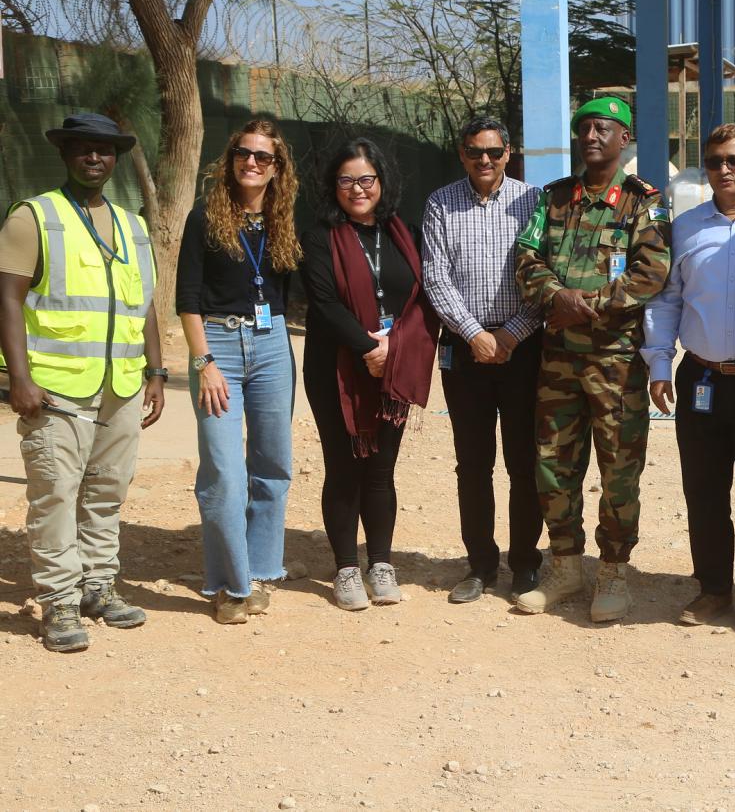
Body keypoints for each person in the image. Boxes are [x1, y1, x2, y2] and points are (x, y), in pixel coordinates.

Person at [0, 113, 165, 652]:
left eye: (104, 149)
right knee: (55, 495)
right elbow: (7, 300)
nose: (94, 157)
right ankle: (59, 602)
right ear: (64, 153)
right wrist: (18, 378)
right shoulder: (34, 217)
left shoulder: (133, 226)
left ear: (116, 157)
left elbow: (145, 305)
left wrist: (156, 371)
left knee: (107, 492)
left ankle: (98, 586)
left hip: (121, 384)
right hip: (55, 389)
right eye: (83, 148)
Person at [513, 96, 671, 623]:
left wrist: (587, 306)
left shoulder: (644, 202)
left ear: (624, 138)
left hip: (616, 361)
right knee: (553, 464)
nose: (591, 137)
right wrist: (556, 296)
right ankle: (564, 566)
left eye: (603, 128)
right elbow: (526, 258)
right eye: (584, 128)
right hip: (558, 358)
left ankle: (613, 571)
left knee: (619, 469)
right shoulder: (555, 197)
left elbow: (651, 272)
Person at [643, 122, 735, 634]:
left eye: (734, 160)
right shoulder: (684, 228)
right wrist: (659, 364)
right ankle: (711, 589)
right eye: (714, 162)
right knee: (704, 492)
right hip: (701, 379)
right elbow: (666, 299)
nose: (724, 170)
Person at [300, 138, 440, 611]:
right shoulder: (319, 236)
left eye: (366, 179)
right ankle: (345, 568)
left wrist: (393, 348)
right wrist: (369, 349)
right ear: (333, 186)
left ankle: (380, 563)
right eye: (346, 180)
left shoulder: (407, 232)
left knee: (381, 471)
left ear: (382, 181)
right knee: (343, 469)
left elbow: (423, 297)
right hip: (335, 367)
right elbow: (323, 303)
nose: (357, 189)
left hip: (393, 366)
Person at [177, 118, 301, 625]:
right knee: (225, 474)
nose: (252, 162)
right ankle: (231, 585)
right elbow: (186, 297)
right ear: (230, 160)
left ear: (277, 168)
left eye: (263, 156)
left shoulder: (283, 220)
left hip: (272, 346)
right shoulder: (204, 216)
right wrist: (203, 362)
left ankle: (260, 572)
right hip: (219, 346)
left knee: (272, 466)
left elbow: (287, 293)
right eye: (243, 153)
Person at [422, 116, 544, 604]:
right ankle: (480, 565)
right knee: (472, 464)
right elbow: (436, 277)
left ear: (508, 153)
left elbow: (545, 275)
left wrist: (511, 333)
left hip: (522, 347)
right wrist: (474, 334)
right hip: (464, 349)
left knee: (524, 462)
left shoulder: (533, 201)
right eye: (475, 152)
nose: (485, 160)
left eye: (494, 152)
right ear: (462, 154)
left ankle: (526, 563)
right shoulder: (440, 203)